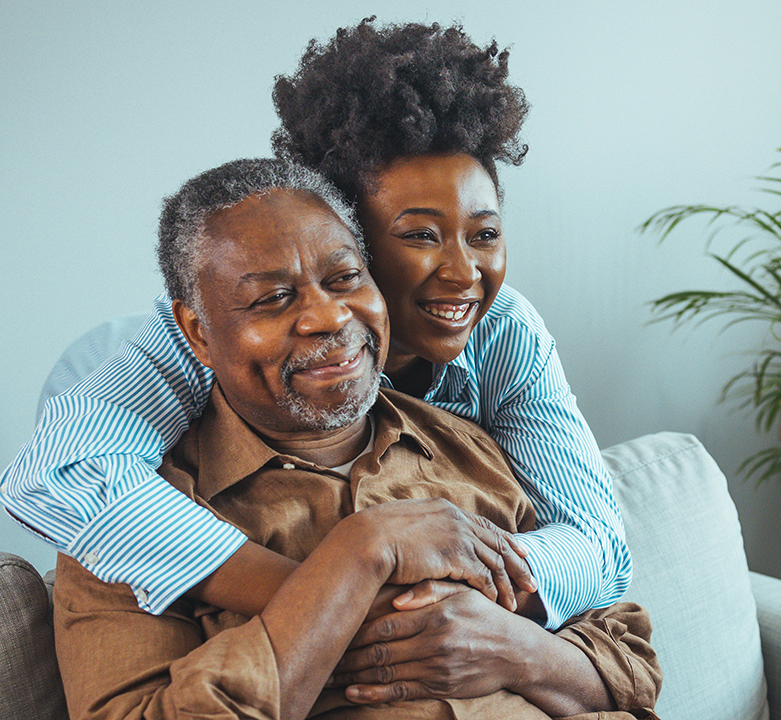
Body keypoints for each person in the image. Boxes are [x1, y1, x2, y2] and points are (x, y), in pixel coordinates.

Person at [0, 19, 630, 631]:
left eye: (484, 234)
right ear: (342, 236)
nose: (465, 273)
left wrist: (457, 601)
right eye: (419, 236)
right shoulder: (202, 340)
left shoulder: (505, 330)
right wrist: (335, 598)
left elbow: (599, 544)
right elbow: (59, 473)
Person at [53, 157, 660, 720]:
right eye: (273, 298)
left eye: (345, 278)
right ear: (198, 332)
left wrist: (510, 646)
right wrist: (359, 556)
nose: (329, 316)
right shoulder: (124, 524)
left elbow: (630, 664)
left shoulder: (467, 442)